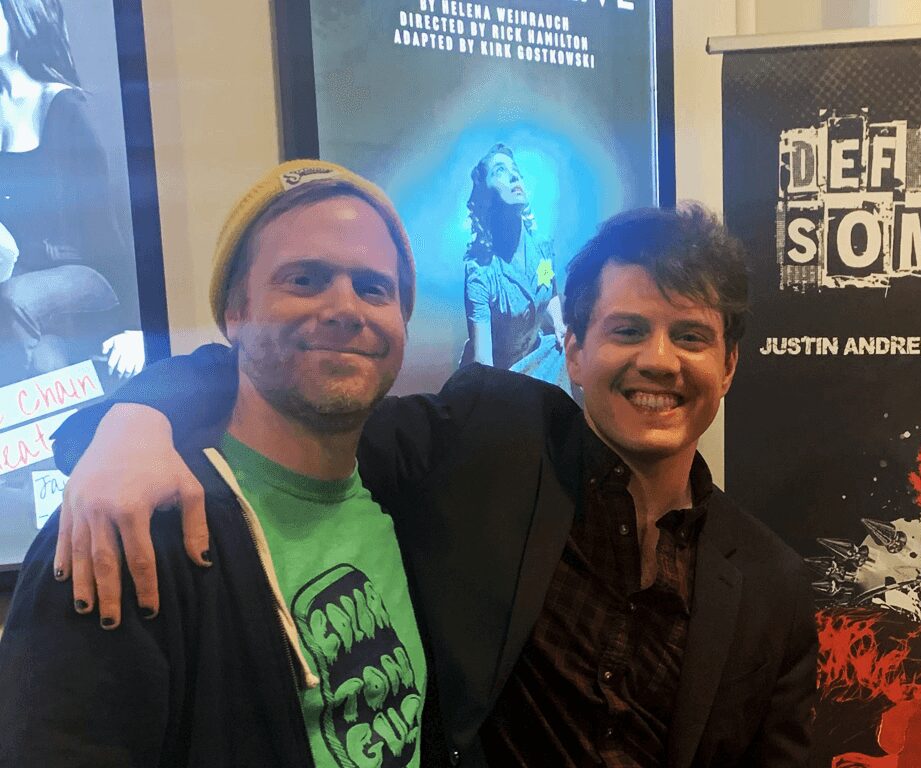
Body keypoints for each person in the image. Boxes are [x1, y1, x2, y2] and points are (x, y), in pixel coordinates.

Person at [45, 204, 817, 766]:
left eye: (691, 336)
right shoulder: (488, 438)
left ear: (728, 366)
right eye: (628, 330)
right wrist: (136, 419)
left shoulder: (771, 584)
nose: (659, 361)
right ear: (575, 351)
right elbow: (292, 385)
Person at [0, 159, 428, 766]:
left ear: (402, 319)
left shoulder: (411, 490)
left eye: (374, 288)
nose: (346, 309)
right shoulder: (123, 524)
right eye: (304, 280)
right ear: (235, 313)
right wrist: (133, 418)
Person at [0, 0, 144, 381]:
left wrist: (137, 326)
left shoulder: (67, 107)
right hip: (23, 276)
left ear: (19, 19)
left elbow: (110, 224)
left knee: (12, 300)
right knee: (44, 360)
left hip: (89, 274)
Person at [460, 143, 570, 394]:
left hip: (537, 360)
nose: (513, 176)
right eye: (500, 171)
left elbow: (548, 290)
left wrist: (559, 323)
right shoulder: (480, 272)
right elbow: (483, 364)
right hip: (499, 377)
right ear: (486, 197)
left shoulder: (542, 246)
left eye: (515, 171)